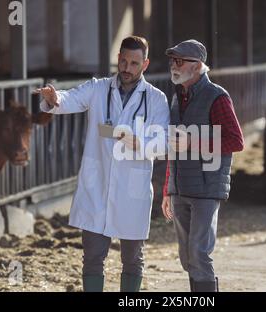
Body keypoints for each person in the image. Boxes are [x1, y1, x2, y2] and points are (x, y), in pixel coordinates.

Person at [34, 36, 170, 292]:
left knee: (132, 260)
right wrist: (54, 98)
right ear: (117, 58)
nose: (127, 68)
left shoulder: (155, 99)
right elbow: (70, 99)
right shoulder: (98, 88)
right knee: (93, 258)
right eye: (123, 61)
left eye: (134, 63)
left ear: (145, 64)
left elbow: (163, 143)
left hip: (133, 190)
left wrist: (136, 141)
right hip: (97, 188)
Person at [161, 39, 244, 292]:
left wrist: (193, 142)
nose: (174, 66)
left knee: (198, 253)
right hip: (180, 188)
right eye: (172, 61)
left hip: (207, 189)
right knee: (188, 257)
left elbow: (235, 141)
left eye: (179, 61)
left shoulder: (216, 96)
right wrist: (167, 188)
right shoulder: (176, 97)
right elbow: (174, 146)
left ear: (197, 66)